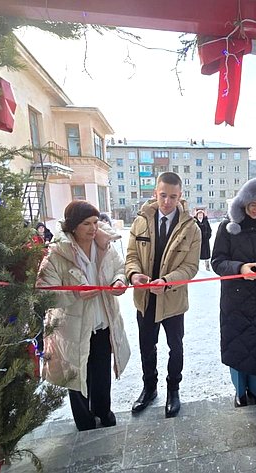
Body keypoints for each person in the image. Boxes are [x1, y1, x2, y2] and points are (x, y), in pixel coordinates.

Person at [37, 201, 131, 431]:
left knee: (101, 373)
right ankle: (84, 419)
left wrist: (119, 281)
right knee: (77, 373)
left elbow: (120, 268)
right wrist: (75, 294)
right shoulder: (56, 254)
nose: (93, 228)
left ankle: (103, 410)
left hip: (103, 321)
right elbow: (44, 293)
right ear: (72, 227)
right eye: (86, 224)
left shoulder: (104, 246)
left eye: (95, 222)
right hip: (73, 327)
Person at [125, 172, 201, 418]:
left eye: (173, 196)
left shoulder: (191, 228)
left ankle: (173, 390)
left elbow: (190, 267)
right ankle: (149, 388)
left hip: (173, 299)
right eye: (163, 195)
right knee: (147, 346)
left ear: (181, 196)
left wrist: (167, 282)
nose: (167, 201)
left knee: (175, 347)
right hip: (145, 298)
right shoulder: (141, 221)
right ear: (155, 193)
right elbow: (131, 256)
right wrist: (134, 274)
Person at [211, 178, 256, 407]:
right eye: (252, 204)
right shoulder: (228, 227)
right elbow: (217, 262)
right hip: (237, 298)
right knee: (239, 345)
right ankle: (240, 391)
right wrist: (239, 269)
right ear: (243, 202)